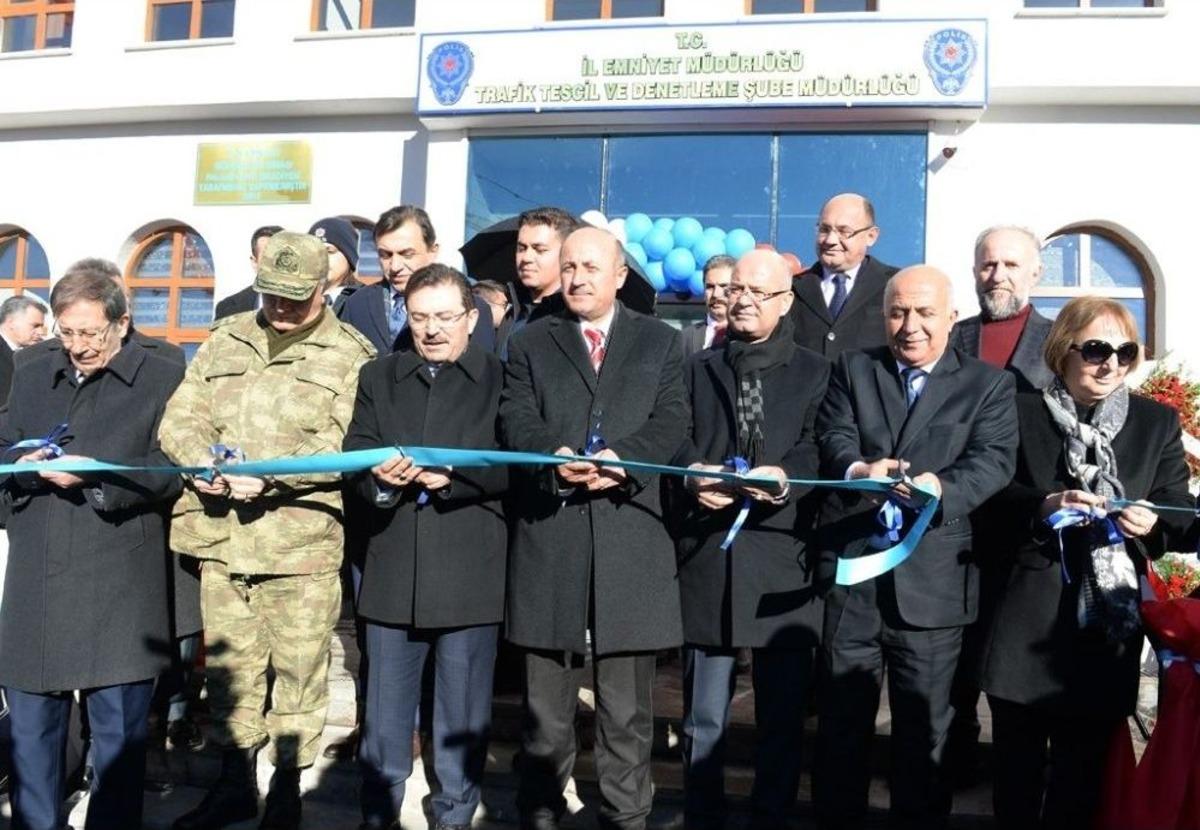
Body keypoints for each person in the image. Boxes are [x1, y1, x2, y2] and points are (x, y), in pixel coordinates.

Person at [160, 231, 375, 830]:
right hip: (223, 539)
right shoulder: (226, 337)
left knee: (300, 672)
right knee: (231, 671)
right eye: (270, 294)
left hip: (298, 546)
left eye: (293, 297)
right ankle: (233, 784)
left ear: (322, 287)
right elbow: (182, 415)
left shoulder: (351, 354)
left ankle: (285, 791)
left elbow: (345, 442)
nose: (279, 307)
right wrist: (202, 461)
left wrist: (270, 479)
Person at [813, 266, 1018, 830]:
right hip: (854, 580)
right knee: (840, 729)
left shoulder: (988, 385)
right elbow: (832, 436)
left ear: (952, 317)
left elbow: (994, 461)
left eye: (926, 312)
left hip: (931, 589)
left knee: (924, 734)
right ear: (884, 317)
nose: (911, 326)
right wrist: (859, 469)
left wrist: (940, 490)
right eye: (899, 312)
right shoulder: (853, 369)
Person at [976, 296, 1192, 829]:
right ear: (1063, 349)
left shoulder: (1154, 421)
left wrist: (1154, 523)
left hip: (1105, 628)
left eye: (1125, 352)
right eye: (1096, 348)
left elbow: (1182, 512)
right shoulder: (1016, 408)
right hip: (1024, 615)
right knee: (1016, 779)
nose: (1111, 363)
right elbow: (986, 499)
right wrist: (1042, 507)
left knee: (1081, 783)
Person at [501, 227, 688, 830]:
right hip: (551, 540)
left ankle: (626, 816)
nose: (578, 277)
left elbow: (673, 420)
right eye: (570, 266)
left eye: (591, 267)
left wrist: (625, 462)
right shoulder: (532, 342)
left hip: (629, 541)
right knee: (545, 712)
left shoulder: (662, 342)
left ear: (620, 276)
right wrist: (552, 457)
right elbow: (515, 417)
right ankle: (540, 811)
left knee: (626, 712)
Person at [0, 271, 184, 830]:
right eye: (67, 332)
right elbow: (5, 442)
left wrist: (97, 476)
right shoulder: (32, 370)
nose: (78, 346)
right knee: (31, 737)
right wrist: (23, 467)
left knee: (118, 747)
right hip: (39, 577)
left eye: (91, 334)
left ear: (122, 323)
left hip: (119, 584)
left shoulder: (164, 373)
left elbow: (173, 467)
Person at [344, 264, 508, 830]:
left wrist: (456, 478)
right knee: (385, 726)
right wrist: (380, 481)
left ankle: (453, 819)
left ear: (470, 318)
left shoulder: (501, 379)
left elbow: (520, 468)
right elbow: (356, 453)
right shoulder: (378, 376)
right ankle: (376, 818)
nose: (432, 330)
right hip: (392, 575)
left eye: (444, 317)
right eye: (419, 317)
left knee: (459, 724)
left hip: (470, 575)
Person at [671, 249, 830, 829]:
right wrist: (692, 473)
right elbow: (676, 438)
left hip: (782, 562)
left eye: (758, 292)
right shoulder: (695, 368)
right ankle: (701, 813)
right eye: (736, 289)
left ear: (785, 302)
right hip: (708, 556)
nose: (742, 300)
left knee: (781, 718)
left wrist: (785, 476)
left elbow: (822, 443)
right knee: (702, 718)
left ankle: (772, 815)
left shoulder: (817, 371)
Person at [945, 224, 1055, 781]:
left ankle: (1017, 765)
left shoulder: (1059, 342)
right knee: (955, 647)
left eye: (1011, 265)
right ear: (974, 271)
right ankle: (957, 753)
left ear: (1035, 273)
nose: (999, 275)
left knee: (1008, 647)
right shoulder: (951, 336)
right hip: (954, 517)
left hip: (1021, 522)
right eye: (989, 265)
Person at [339, 205, 494, 355]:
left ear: (433, 251)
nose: (395, 266)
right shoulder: (357, 304)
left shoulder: (470, 307)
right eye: (385, 255)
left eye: (406, 254)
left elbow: (479, 372)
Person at [787, 193, 899, 358]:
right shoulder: (792, 289)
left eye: (844, 232)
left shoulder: (895, 286)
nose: (831, 240)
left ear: (871, 236)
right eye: (824, 229)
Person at [498, 206, 577, 359]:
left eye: (539, 250)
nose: (526, 258)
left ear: (566, 255)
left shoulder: (575, 318)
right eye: (521, 248)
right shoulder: (513, 312)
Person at [214, 225, 283, 320]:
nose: (275, 264)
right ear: (255, 262)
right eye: (267, 257)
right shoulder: (228, 309)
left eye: (281, 257)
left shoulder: (307, 306)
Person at [680, 254, 734, 359]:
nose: (716, 294)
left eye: (724, 286)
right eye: (710, 287)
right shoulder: (684, 338)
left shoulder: (749, 335)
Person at [310, 216, 366, 314]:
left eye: (330, 251)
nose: (321, 258)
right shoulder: (296, 297)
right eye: (314, 252)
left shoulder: (366, 299)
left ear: (348, 257)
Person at [0, 294, 47, 403]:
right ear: (11, 323)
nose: (40, 332)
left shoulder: (32, 354)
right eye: (35, 326)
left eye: (41, 326)